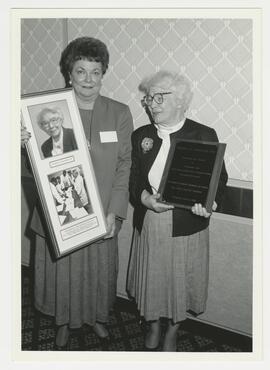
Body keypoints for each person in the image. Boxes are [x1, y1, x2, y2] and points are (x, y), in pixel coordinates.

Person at [21, 36, 133, 347]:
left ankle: (96, 318)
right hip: (59, 214)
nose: (88, 79)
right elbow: (33, 169)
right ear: (69, 73)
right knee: (63, 275)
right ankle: (62, 322)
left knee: (97, 272)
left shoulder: (119, 113)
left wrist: (115, 210)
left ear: (103, 74)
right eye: (81, 71)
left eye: (95, 71)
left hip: (100, 213)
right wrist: (24, 146)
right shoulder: (45, 111)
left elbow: (125, 165)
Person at [127, 70, 228, 352]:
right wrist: (144, 198)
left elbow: (219, 179)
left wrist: (209, 202)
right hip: (150, 222)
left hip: (186, 225)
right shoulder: (141, 136)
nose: (151, 103)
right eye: (149, 98)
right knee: (153, 283)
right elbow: (133, 179)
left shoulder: (203, 133)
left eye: (160, 97)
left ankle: (172, 331)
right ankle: (153, 325)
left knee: (179, 284)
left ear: (181, 100)